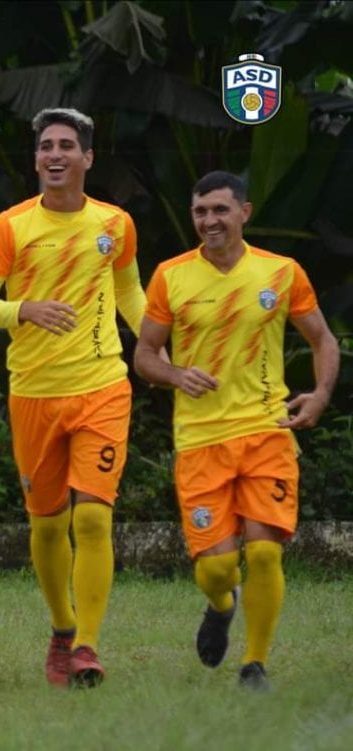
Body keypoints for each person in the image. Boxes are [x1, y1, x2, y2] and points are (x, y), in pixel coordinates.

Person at [134, 171, 339, 691]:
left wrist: (319, 393)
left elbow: (323, 339)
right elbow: (145, 354)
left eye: (220, 210)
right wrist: (176, 374)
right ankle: (222, 604)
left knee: (266, 552)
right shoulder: (171, 276)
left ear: (244, 213)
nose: (210, 221)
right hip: (201, 439)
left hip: (267, 431)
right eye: (201, 212)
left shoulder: (282, 272)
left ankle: (254, 664)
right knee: (217, 570)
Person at [0, 108, 147, 688]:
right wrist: (25, 310)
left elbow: (129, 293)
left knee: (92, 517)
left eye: (67, 145)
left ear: (87, 158)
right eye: (46, 146)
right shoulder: (10, 227)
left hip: (103, 387)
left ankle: (88, 646)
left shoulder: (115, 223)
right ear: (37, 159)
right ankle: (63, 629)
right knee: (47, 526)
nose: (55, 155)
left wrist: (161, 347)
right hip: (34, 394)